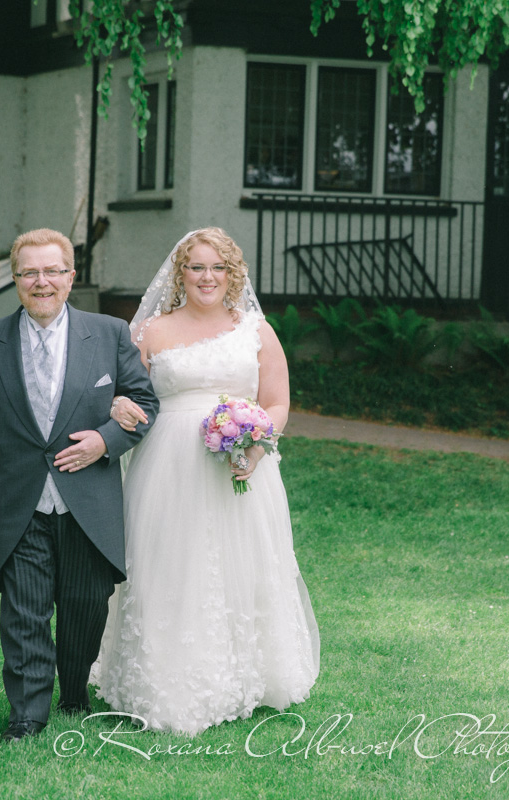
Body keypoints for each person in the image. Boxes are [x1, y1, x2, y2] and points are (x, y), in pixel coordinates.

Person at [91, 227, 320, 736]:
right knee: (169, 563)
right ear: (181, 274)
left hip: (242, 466)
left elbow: (277, 402)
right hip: (166, 468)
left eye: (218, 267)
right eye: (197, 267)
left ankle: (246, 677)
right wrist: (118, 405)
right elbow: (119, 392)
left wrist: (257, 445)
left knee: (241, 564)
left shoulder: (256, 331)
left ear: (232, 274)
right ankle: (162, 680)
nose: (207, 277)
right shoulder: (150, 332)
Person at [0, 228, 159, 743]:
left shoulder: (109, 333)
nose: (42, 282)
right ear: (15, 280)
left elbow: (145, 404)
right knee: (25, 610)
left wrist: (105, 441)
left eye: (53, 271)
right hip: (18, 501)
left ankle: (74, 690)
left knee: (86, 604)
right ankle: (27, 714)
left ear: (71, 276)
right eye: (30, 273)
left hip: (89, 500)